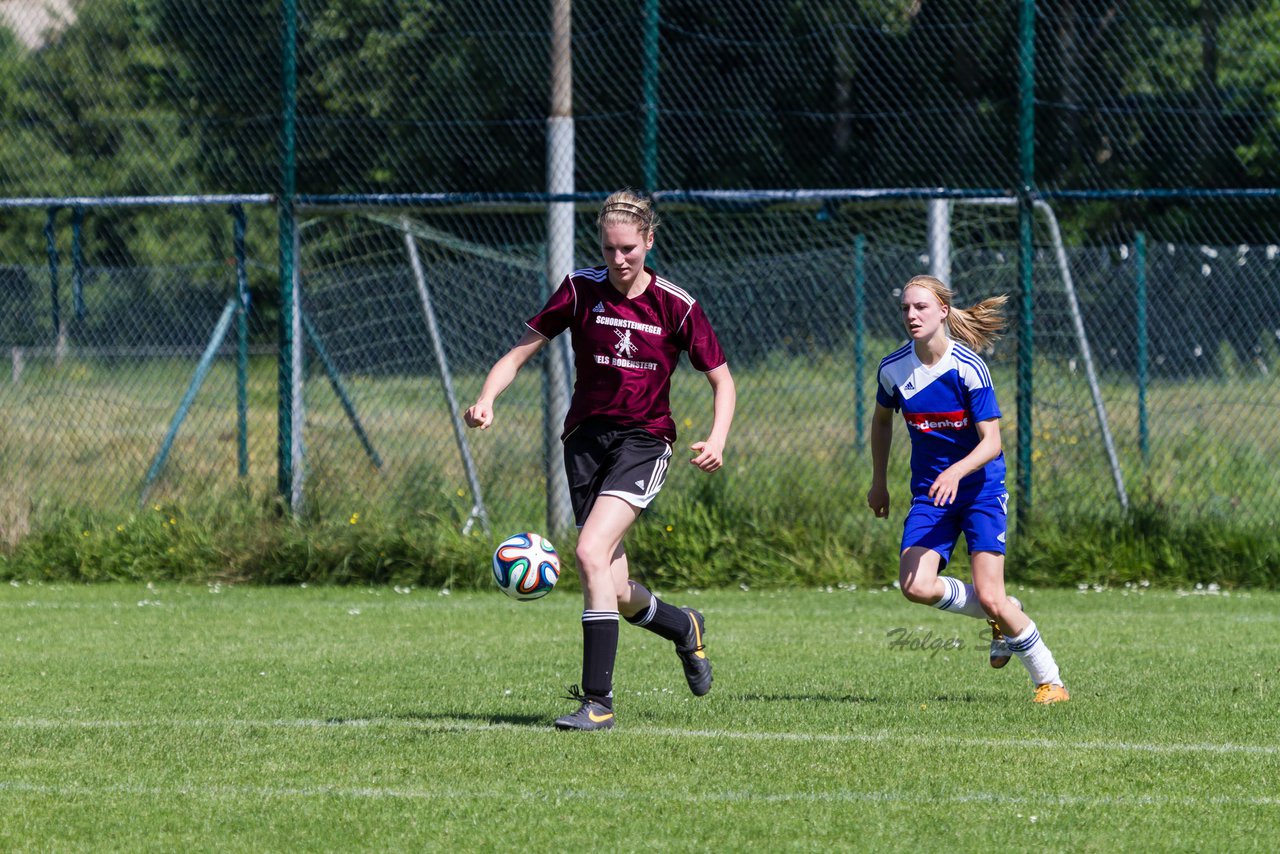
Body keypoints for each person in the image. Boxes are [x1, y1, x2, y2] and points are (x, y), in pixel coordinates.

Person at [465, 189, 736, 730]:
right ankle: (685, 628)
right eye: (610, 249)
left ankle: (598, 702)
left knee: (589, 550)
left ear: (649, 242)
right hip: (585, 443)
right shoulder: (578, 290)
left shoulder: (676, 305)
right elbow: (521, 351)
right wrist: (487, 398)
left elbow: (721, 380)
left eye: (629, 249)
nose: (618, 260)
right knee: (612, 588)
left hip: (644, 441)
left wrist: (717, 438)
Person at [866, 275, 1069, 704]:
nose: (911, 315)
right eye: (905, 308)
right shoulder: (894, 368)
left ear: (942, 311)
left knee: (993, 597)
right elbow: (882, 421)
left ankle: (1050, 681)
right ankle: (998, 610)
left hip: (979, 490)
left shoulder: (967, 367)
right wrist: (879, 481)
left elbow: (992, 442)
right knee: (915, 586)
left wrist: (956, 472)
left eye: (920, 307)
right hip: (931, 493)